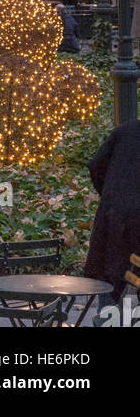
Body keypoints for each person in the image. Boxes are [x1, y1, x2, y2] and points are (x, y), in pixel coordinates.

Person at [84, 119, 140, 310]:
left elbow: (96, 166)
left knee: (109, 281)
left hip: (114, 216)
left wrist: (111, 194)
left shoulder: (124, 131)